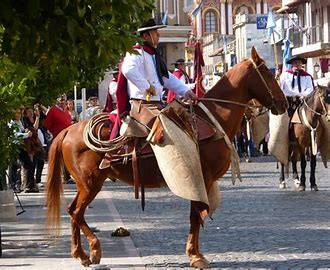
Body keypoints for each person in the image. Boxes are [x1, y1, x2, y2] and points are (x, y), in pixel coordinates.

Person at [114, 17, 197, 139]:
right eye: (155, 32)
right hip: (142, 106)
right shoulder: (136, 53)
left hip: (156, 105)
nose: (158, 35)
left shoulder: (153, 55)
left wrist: (185, 91)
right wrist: (147, 86)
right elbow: (128, 70)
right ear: (146, 36)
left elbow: (166, 78)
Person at [8, 109, 38, 193]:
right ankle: (14, 185)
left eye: (19, 113)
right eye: (16, 113)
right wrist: (26, 134)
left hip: (21, 146)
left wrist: (26, 131)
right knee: (14, 166)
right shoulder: (11, 123)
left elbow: (21, 130)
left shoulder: (19, 122)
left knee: (28, 165)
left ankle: (28, 185)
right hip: (15, 146)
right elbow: (15, 135)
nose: (19, 115)